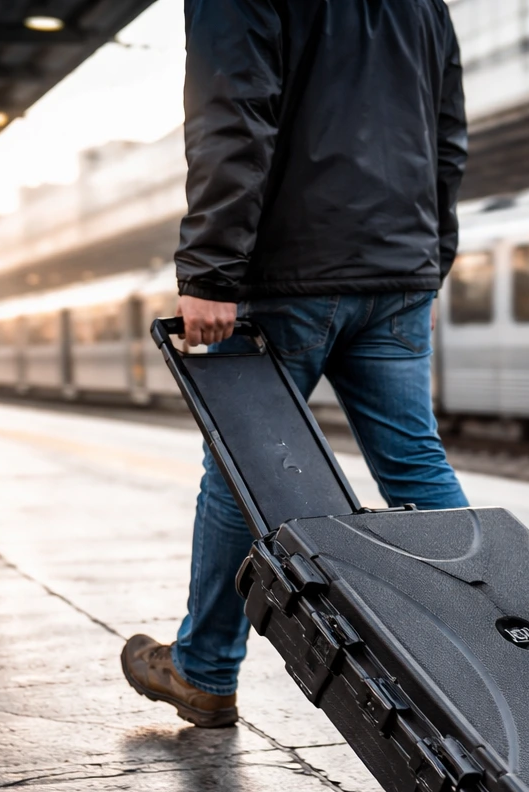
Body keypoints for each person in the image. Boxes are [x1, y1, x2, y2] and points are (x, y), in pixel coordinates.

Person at [121, 0, 469, 728]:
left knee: (244, 472)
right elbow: (446, 138)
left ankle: (204, 671)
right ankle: (499, 646)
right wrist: (428, 265)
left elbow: (234, 115)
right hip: (397, 272)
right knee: (416, 465)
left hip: (292, 275)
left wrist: (211, 274)